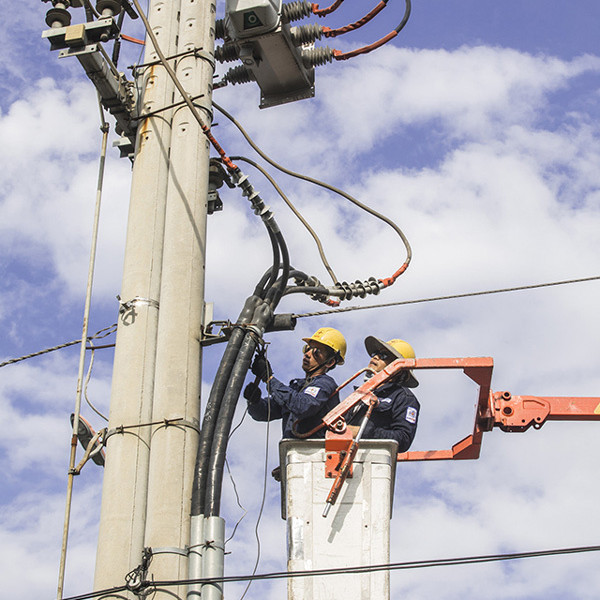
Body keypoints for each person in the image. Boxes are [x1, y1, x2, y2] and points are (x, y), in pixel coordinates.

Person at [243, 327, 347, 439]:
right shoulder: (298, 387)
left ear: (330, 362)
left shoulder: (325, 384)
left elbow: (303, 406)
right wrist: (254, 401)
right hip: (294, 451)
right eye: (307, 348)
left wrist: (268, 378)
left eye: (316, 352)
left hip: (315, 451)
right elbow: (264, 413)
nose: (308, 354)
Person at [347, 337, 420, 452]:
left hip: (370, 460)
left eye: (384, 355)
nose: (375, 357)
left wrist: (363, 432)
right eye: (376, 353)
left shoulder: (404, 398)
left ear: (399, 370)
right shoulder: (359, 394)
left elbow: (403, 439)